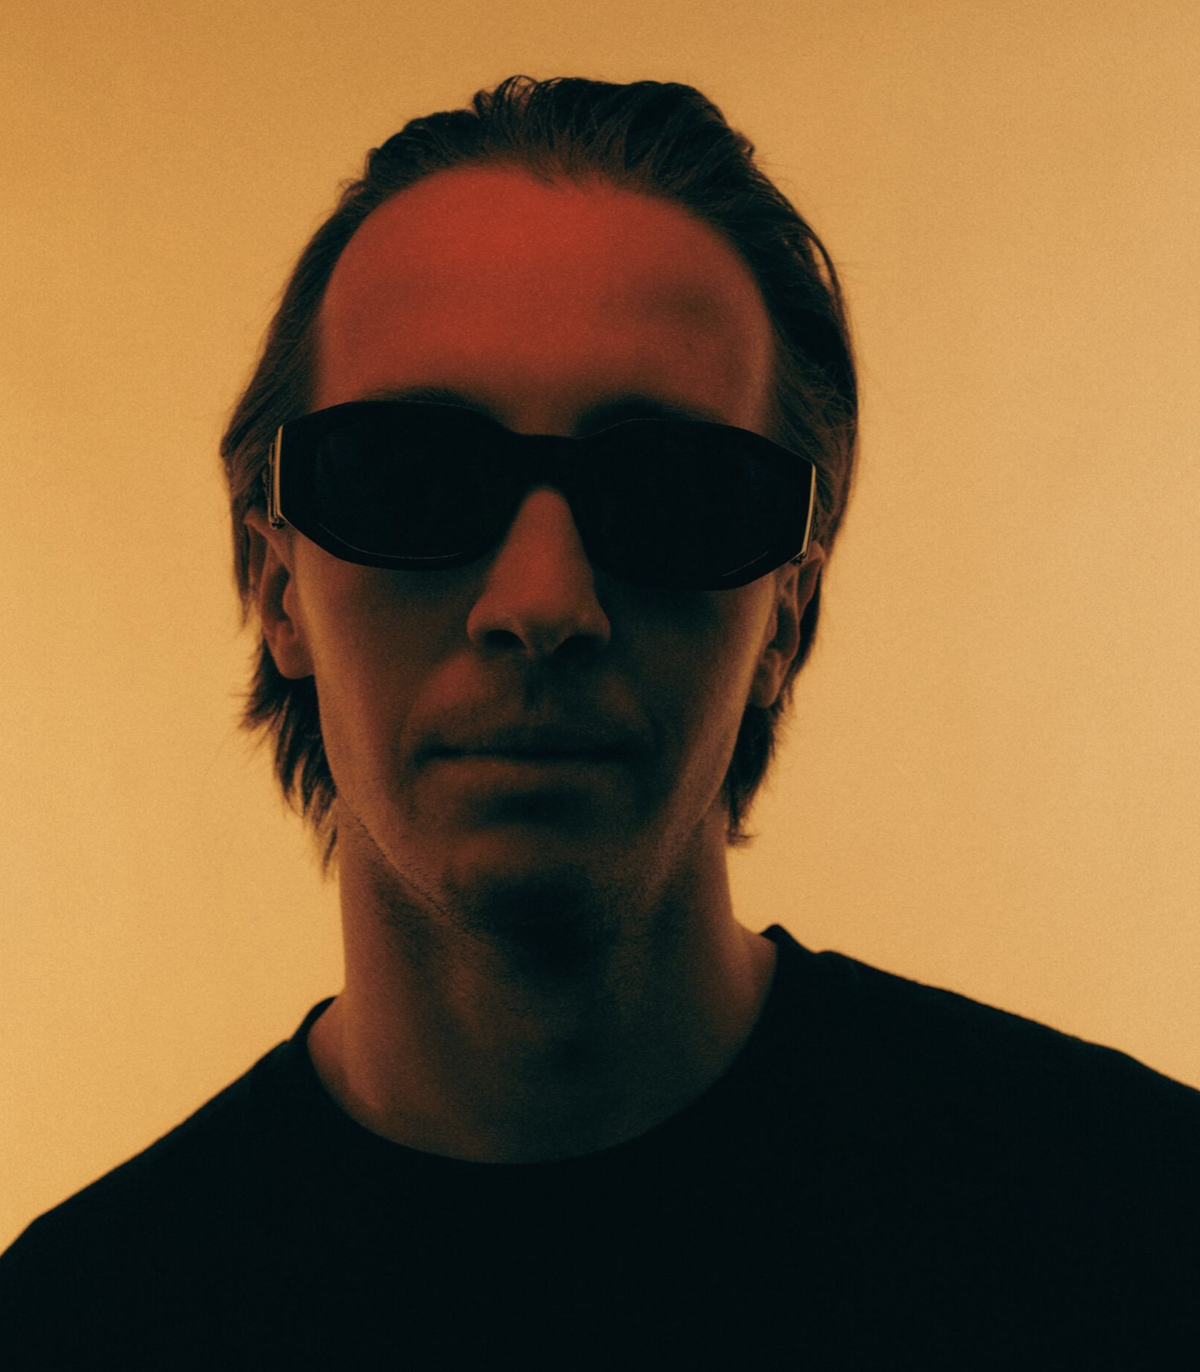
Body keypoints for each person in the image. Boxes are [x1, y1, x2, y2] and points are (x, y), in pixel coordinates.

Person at [2, 74, 1197, 1369]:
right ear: (277, 585)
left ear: (785, 618)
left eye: (673, 492)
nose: (541, 603)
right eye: (413, 478)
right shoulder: (70, 1327)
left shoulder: (1145, 1231)